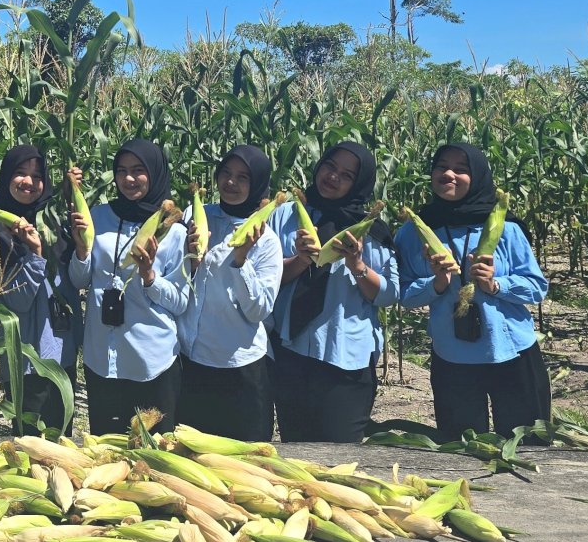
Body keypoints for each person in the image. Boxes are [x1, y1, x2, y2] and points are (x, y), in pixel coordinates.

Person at [399, 142, 550, 440]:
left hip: (512, 352)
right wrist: (436, 283)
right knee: (463, 447)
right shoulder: (413, 232)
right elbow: (404, 293)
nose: (449, 174)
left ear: (478, 176)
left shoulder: (507, 229)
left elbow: (537, 287)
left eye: (461, 169)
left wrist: (496, 285)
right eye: (441, 167)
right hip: (453, 356)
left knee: (530, 444)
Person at [267, 142, 399, 442]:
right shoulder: (285, 215)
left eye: (346, 175)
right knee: (296, 451)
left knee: (339, 455)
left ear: (360, 183)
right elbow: (267, 281)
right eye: (329, 166)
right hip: (291, 352)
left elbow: (389, 294)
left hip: (345, 359)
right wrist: (300, 260)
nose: (333, 177)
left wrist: (357, 265)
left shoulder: (370, 229)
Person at [70, 140, 190, 436]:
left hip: (152, 362)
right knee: (106, 456)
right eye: (121, 171)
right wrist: (82, 251)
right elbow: (79, 281)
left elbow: (181, 302)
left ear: (155, 173)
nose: (129, 179)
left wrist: (149, 276)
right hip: (101, 361)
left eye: (138, 170)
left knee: (154, 458)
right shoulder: (97, 217)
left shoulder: (173, 231)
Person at [178, 144, 282, 441]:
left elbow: (259, 310)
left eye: (242, 177)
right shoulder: (195, 216)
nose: (231, 183)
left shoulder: (266, 241)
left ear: (258, 183)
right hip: (192, 361)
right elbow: (179, 277)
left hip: (239, 368)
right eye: (225, 173)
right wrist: (189, 256)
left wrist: (241, 260)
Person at [0, 144, 80, 436]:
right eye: (20, 174)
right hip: (26, 359)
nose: (29, 182)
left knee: (62, 442)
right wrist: (35, 253)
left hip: (62, 354)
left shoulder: (56, 221)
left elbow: (78, 277)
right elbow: (18, 301)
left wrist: (73, 195)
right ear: (5, 179)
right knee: (31, 445)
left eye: (37, 176)